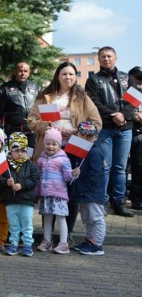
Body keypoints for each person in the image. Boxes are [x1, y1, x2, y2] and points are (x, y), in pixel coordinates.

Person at [85, 47, 135, 217]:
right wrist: (113, 115)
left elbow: (135, 99)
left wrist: (123, 115)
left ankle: (119, 202)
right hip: (105, 128)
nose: (106, 59)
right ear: (98, 59)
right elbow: (93, 102)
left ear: (116, 58)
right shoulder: (93, 79)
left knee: (120, 168)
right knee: (104, 167)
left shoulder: (126, 77)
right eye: (103, 56)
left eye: (109, 56)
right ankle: (102, 201)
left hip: (125, 128)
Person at [28, 61, 102, 160]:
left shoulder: (83, 98)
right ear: (57, 77)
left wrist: (78, 131)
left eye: (71, 74)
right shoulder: (45, 98)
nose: (68, 77)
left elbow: (96, 123)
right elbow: (32, 120)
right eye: (64, 74)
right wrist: (51, 128)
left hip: (76, 146)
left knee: (73, 175)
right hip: (49, 148)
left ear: (75, 77)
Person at [0, 132, 40, 257]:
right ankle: (14, 243)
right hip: (11, 200)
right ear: (10, 151)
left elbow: (35, 179)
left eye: (23, 150)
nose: (20, 153)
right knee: (14, 224)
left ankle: (27, 244)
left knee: (27, 224)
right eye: (16, 151)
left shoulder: (31, 165)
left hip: (26, 201)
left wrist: (22, 185)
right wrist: (6, 181)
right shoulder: (5, 165)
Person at [69, 121, 107, 255]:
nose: (85, 139)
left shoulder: (95, 152)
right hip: (84, 191)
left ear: (95, 137)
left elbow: (95, 174)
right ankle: (90, 239)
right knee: (87, 218)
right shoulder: (81, 151)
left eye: (89, 136)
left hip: (92, 192)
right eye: (83, 135)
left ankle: (96, 244)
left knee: (96, 218)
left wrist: (86, 187)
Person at [35, 128, 73, 255]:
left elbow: (68, 177)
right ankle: (47, 241)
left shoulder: (64, 159)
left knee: (61, 218)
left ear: (59, 144)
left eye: (54, 144)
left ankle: (63, 243)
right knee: (47, 218)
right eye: (48, 143)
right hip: (45, 194)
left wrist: (74, 174)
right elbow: (37, 175)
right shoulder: (40, 159)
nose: (50, 146)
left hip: (59, 194)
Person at [0, 62, 40, 147]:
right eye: (20, 71)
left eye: (25, 71)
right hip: (14, 133)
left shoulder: (36, 88)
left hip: (33, 132)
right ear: (15, 72)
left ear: (29, 72)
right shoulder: (4, 89)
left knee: (31, 157)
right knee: (16, 158)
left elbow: (42, 108)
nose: (23, 73)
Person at [128, 66, 142, 210]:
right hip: (131, 132)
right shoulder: (131, 92)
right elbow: (126, 111)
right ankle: (136, 198)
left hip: (137, 134)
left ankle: (137, 198)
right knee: (136, 168)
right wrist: (136, 116)